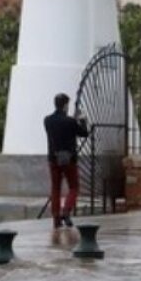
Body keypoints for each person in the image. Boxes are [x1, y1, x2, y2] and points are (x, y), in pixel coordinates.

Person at [43, 93, 89, 228]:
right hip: (70, 159)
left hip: (53, 158)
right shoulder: (70, 121)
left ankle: (56, 218)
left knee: (55, 189)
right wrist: (82, 120)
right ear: (65, 105)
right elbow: (84, 133)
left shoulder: (47, 120)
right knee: (74, 187)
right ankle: (66, 210)